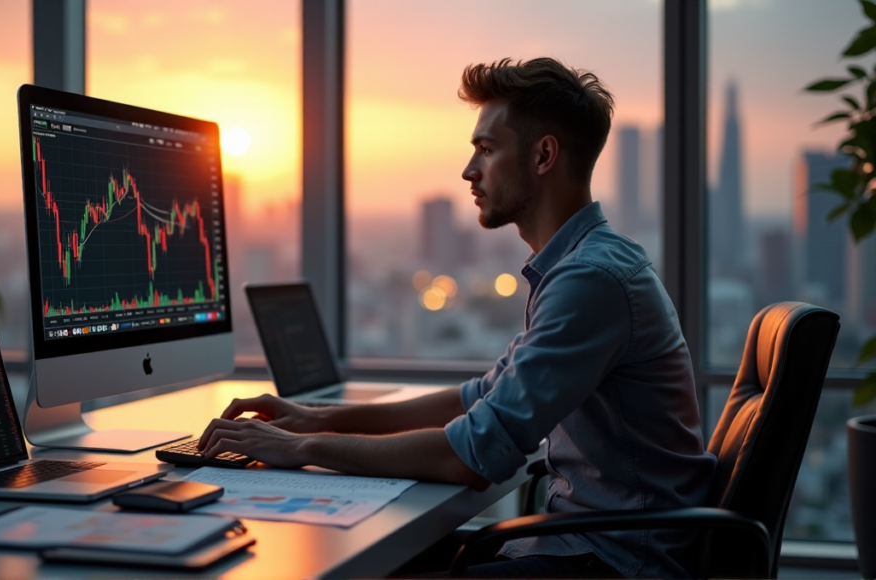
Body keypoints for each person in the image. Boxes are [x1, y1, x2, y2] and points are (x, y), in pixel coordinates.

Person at [198, 57, 716, 579]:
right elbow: (477, 398)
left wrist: (302, 448)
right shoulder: (577, 267)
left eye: (486, 150)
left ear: (543, 155)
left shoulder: (591, 281)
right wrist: (318, 418)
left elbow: (470, 455)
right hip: (581, 544)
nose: (469, 171)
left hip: (615, 562)